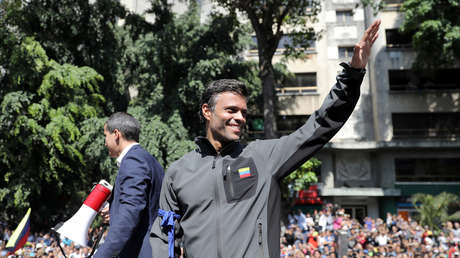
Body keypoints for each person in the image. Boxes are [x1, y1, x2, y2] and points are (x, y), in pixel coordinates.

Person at [150, 20, 381, 257]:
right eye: (231, 110)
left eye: (243, 112)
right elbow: (163, 236)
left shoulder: (263, 157)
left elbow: (320, 126)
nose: (240, 117)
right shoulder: (178, 172)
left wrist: (352, 76)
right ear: (207, 111)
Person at [94, 112, 164, 258]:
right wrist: (113, 210)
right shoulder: (147, 159)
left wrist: (101, 255)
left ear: (116, 134)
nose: (105, 142)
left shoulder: (133, 161)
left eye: (105, 136)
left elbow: (130, 212)